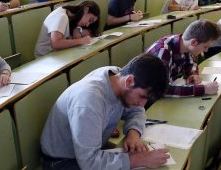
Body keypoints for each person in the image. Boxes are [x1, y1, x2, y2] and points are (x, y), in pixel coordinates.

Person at [40, 53, 170, 169]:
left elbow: (137, 111)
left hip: (90, 151)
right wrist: (138, 160)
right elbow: (89, 163)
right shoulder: (89, 101)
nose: (142, 104)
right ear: (129, 81)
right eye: (142, 97)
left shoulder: (119, 78)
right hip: (61, 161)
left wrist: (133, 133)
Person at [146, 19, 221, 97]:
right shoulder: (163, 51)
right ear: (193, 42)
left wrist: (193, 75)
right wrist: (204, 89)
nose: (206, 50)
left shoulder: (186, 45)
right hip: (150, 100)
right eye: (205, 47)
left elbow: (191, 64)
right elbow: (162, 89)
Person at [35, 1, 101, 57]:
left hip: (57, 54)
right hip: (45, 57)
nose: (87, 24)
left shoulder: (72, 17)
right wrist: (81, 40)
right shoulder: (61, 16)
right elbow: (56, 43)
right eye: (90, 20)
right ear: (86, 9)